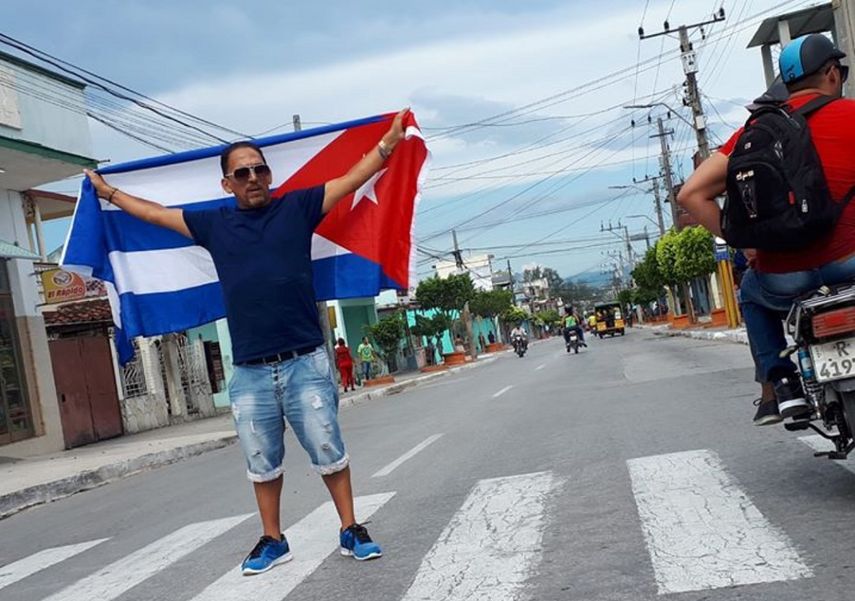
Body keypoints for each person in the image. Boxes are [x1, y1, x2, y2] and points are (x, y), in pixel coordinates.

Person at [83, 108, 408, 574]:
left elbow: (352, 179)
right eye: (242, 173)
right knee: (261, 462)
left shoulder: (297, 208)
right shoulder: (214, 224)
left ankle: (351, 528)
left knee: (329, 451)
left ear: (269, 175)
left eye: (259, 169)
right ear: (227, 183)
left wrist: (388, 143)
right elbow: (156, 215)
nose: (253, 177)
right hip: (251, 371)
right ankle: (273, 539)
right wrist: (108, 193)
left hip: (306, 361)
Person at [678, 33, 855, 425]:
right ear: (831, 73)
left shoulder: (752, 134)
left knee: (752, 294)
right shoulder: (851, 115)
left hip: (784, 278)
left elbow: (690, 194)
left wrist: (745, 245)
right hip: (850, 262)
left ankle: (783, 386)